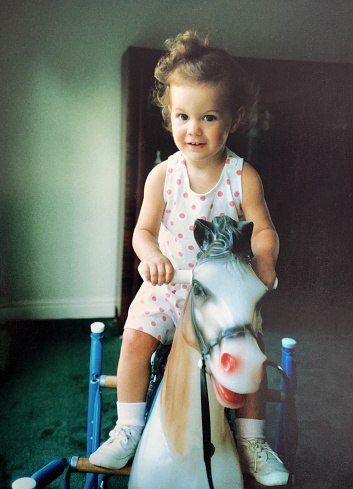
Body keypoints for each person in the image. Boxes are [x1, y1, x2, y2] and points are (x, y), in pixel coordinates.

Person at [90, 31, 288, 486]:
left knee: (250, 348)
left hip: (221, 294)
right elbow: (141, 231)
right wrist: (152, 256)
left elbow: (263, 229)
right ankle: (128, 428)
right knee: (136, 338)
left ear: (235, 119)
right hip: (170, 285)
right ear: (169, 116)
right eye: (182, 116)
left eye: (208, 117)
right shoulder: (163, 176)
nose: (193, 129)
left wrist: (265, 260)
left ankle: (253, 440)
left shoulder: (244, 177)